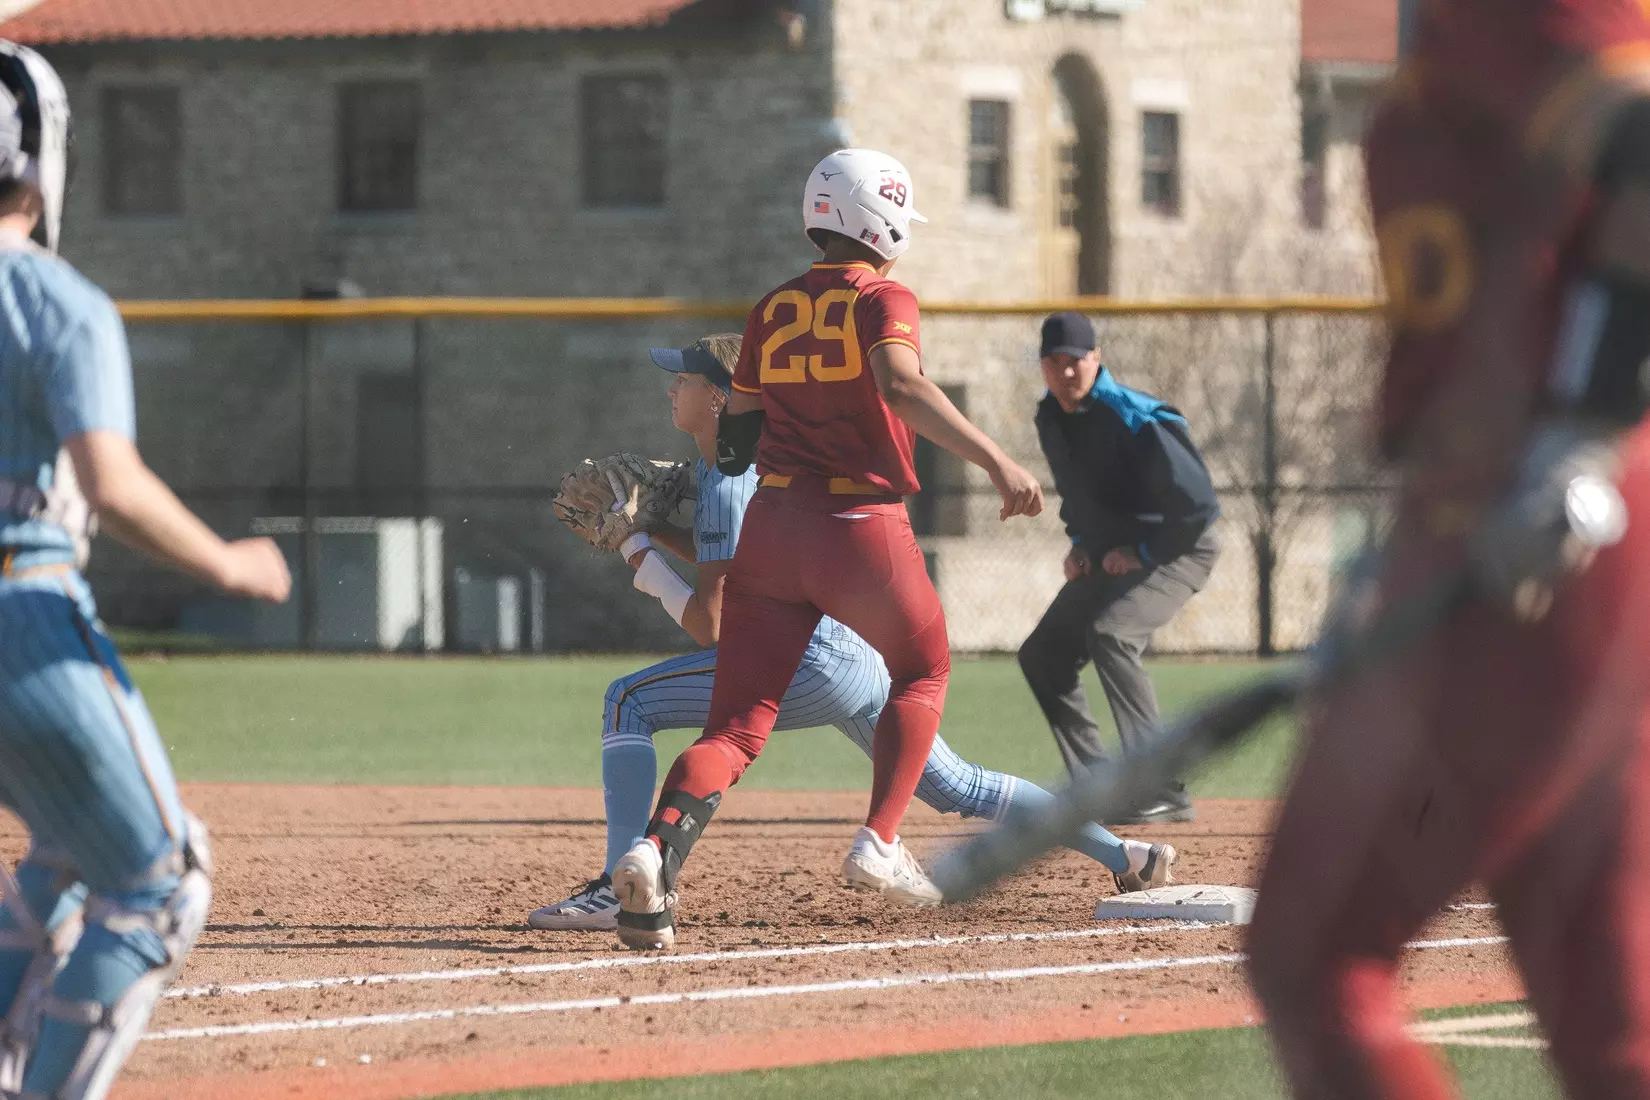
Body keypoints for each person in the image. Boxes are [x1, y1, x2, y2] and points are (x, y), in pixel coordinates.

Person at [1246, 0, 1650, 1096]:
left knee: (1312, 951)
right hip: (1508, 514)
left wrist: (1582, 424)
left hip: (1551, 517)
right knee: (1612, 1031)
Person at [529, 336, 1172, 931]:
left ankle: (618, 891)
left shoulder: (727, 481)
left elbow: (714, 625)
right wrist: (659, 532)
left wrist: (638, 550)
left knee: (627, 701)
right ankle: (1127, 855)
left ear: (722, 395)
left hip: (806, 662)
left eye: (685, 379)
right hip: (854, 657)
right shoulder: (748, 465)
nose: (671, 387)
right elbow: (741, 562)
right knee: (959, 785)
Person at [608, 148, 1045, 950]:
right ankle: (879, 840)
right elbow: (902, 385)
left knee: (734, 731)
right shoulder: (884, 296)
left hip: (775, 528)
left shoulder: (771, 308)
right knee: (924, 670)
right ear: (877, 220)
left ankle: (652, 853)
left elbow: (735, 444)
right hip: (859, 527)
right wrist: (998, 461)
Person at [0, 40, 291, 1100]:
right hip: (21, 614)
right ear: (40, 156)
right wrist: (228, 562)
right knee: (161, 885)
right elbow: (108, 484)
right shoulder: (57, 299)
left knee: (66, 858)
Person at [1017, 312, 1221, 825]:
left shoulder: (1135, 416)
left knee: (1111, 633)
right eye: (1054, 362)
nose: (1065, 372)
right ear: (1042, 365)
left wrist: (1145, 554)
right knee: (1043, 655)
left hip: (1181, 546)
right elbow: (1084, 497)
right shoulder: (1051, 417)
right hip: (1116, 550)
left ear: (1097, 360)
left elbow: (1197, 509)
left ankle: (1161, 788)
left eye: (1076, 361)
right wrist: (1083, 544)